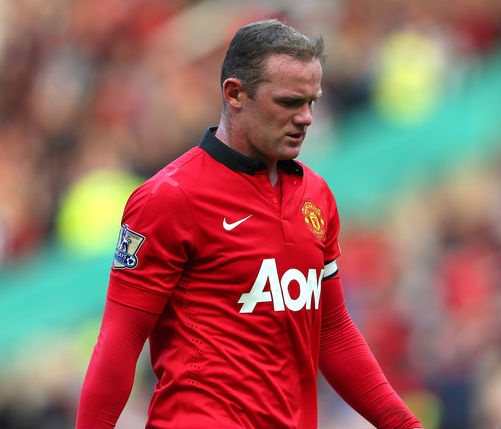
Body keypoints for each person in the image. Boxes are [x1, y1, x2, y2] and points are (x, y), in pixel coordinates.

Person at [76, 19, 423, 429]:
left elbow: (332, 332)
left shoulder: (316, 196)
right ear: (235, 93)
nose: (306, 118)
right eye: (289, 102)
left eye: (311, 102)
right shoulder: (170, 198)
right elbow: (120, 340)